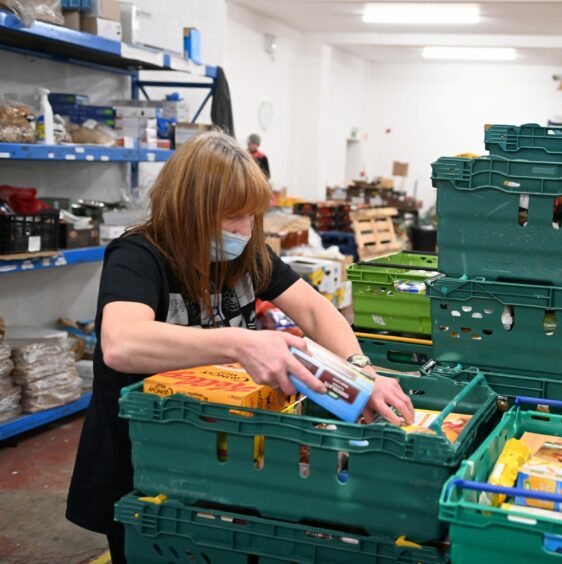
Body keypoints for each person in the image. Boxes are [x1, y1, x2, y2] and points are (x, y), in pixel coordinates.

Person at [65, 131, 414, 563]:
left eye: (252, 216)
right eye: (233, 216)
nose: (244, 230)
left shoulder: (246, 255)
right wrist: (239, 342)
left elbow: (314, 309)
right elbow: (121, 343)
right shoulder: (139, 256)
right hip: (146, 464)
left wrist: (362, 371)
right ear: (190, 209)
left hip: (223, 458)